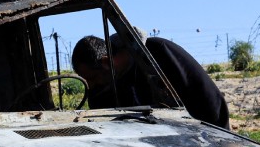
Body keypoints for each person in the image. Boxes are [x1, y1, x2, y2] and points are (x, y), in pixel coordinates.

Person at [71, 33, 231, 128]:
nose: (90, 85)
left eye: (92, 77)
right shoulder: (102, 89)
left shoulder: (159, 53)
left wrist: (221, 141)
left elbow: (207, 99)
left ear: (107, 62)